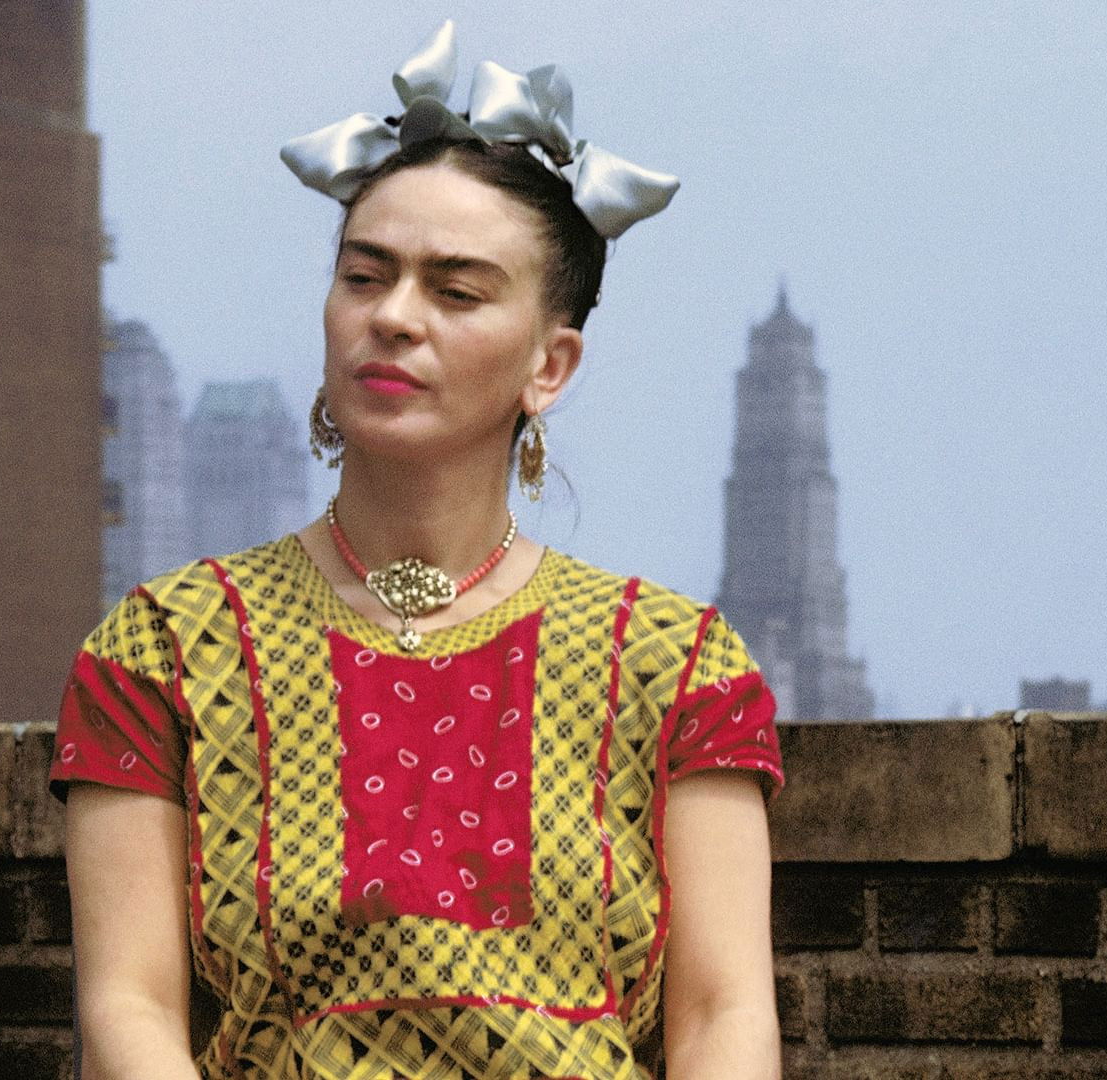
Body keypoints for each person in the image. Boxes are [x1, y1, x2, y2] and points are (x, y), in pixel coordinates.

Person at [52, 23, 784, 1079]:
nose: (393, 318)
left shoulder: (675, 665)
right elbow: (129, 1010)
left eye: (456, 291)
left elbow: (724, 1018)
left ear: (550, 365)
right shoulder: (166, 650)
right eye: (365, 277)